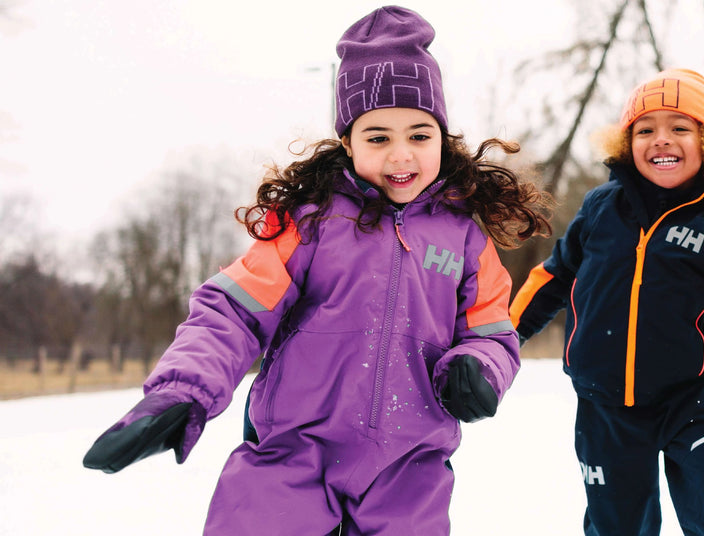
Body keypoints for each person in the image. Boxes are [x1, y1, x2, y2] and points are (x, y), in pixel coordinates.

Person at [81, 6, 552, 534]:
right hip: (290, 462)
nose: (402, 155)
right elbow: (232, 313)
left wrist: (478, 366)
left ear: (443, 138)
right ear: (348, 144)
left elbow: (493, 332)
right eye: (378, 138)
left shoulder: (466, 239)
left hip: (408, 474)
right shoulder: (311, 223)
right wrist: (182, 390)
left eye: (420, 135)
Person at [509, 68, 704, 536]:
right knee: (618, 524)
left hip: (688, 397)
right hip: (605, 405)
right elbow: (553, 276)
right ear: (625, 142)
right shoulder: (600, 210)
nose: (662, 140)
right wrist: (502, 335)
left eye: (680, 128)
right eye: (645, 129)